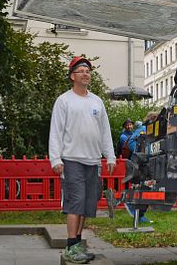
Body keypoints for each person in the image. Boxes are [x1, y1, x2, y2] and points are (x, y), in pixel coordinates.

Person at [49, 56, 116, 264]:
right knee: (75, 203)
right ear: (72, 76)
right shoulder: (64, 100)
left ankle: (78, 243)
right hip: (71, 160)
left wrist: (110, 156)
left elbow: (105, 131)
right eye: (81, 71)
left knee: (87, 204)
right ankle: (70, 246)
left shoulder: (97, 101)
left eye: (88, 71)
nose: (86, 74)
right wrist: (55, 159)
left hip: (93, 161)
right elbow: (56, 131)